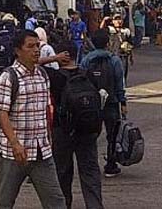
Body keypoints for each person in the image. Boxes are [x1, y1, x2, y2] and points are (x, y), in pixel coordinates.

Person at [0, 30, 66, 208]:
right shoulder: (8, 77)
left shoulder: (42, 76)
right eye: (30, 46)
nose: (36, 51)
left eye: (37, 46)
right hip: (15, 154)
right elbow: (1, 111)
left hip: (42, 152)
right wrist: (15, 143)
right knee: (4, 202)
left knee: (56, 201)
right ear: (18, 51)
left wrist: (49, 137)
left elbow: (46, 109)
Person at [47, 42, 103, 209]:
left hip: (62, 129)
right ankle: (95, 205)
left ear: (60, 55)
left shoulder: (54, 77)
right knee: (90, 170)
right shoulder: (88, 74)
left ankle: (65, 204)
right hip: (87, 128)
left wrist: (52, 58)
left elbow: (24, 63)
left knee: (63, 171)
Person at [79, 29, 127, 178]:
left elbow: (80, 79)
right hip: (111, 102)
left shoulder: (86, 59)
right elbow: (120, 83)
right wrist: (123, 102)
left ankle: (89, 165)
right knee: (112, 134)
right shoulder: (114, 60)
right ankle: (111, 165)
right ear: (108, 43)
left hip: (91, 104)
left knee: (90, 134)